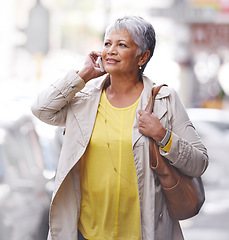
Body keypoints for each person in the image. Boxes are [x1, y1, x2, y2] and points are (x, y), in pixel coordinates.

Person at [31, 16, 208, 240]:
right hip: (86, 233)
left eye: (122, 45)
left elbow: (199, 163)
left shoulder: (164, 100)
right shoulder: (84, 99)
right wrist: (82, 76)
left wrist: (163, 136)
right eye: (107, 44)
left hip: (143, 233)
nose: (111, 50)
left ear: (142, 56)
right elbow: (41, 109)